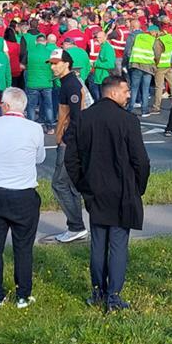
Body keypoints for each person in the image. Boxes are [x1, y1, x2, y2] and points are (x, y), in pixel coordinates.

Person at [65, 75, 150, 312]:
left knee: (98, 242)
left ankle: (98, 291)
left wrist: (83, 185)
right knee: (118, 244)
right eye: (126, 91)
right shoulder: (128, 121)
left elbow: (71, 159)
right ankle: (114, 295)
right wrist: (138, 187)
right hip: (123, 192)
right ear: (113, 93)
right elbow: (141, 160)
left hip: (95, 191)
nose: (129, 95)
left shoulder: (83, 118)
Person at [0, 87, 45, 310]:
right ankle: (23, 295)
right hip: (24, 193)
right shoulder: (35, 128)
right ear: (23, 106)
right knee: (23, 247)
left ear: (4, 106)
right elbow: (40, 158)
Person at [47, 49, 88, 242]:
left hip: (70, 143)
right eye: (52, 63)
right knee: (70, 185)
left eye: (56, 63)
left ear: (66, 64)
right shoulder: (66, 83)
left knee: (59, 183)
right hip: (72, 141)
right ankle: (77, 227)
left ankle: (76, 226)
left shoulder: (70, 85)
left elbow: (77, 117)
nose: (53, 67)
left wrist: (66, 140)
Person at [127, 25, 161, 117]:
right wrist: (156, 63)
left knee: (134, 88)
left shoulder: (138, 37)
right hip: (148, 67)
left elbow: (129, 50)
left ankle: (130, 108)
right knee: (145, 89)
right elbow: (157, 54)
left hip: (136, 64)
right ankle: (144, 110)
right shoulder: (154, 40)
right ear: (153, 32)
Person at [24, 34, 55, 135]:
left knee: (31, 106)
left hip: (32, 83)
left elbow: (22, 65)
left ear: (36, 42)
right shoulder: (51, 53)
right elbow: (55, 68)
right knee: (48, 106)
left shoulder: (29, 52)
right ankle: (50, 127)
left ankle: (31, 128)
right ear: (45, 42)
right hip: (47, 83)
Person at [89, 29, 116, 102]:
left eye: (100, 37)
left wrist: (95, 64)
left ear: (105, 37)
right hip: (99, 77)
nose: (98, 39)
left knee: (103, 99)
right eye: (97, 37)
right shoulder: (103, 47)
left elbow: (110, 64)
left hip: (104, 77)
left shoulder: (108, 48)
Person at [151, 29, 172, 114]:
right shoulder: (171, 38)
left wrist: (155, 64)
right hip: (169, 64)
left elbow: (157, 54)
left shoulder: (159, 41)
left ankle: (156, 107)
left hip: (160, 66)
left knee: (159, 87)